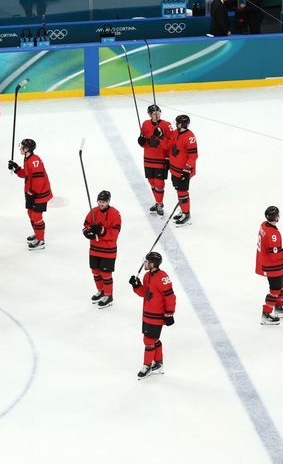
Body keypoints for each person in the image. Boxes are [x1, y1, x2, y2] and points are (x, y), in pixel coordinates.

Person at [129, 252, 176, 380]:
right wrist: (136, 285)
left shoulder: (162, 277)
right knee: (154, 340)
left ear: (152, 264)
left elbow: (170, 296)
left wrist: (169, 313)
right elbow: (145, 293)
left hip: (156, 316)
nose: (144, 264)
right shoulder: (146, 275)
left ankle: (147, 366)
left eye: (146, 262)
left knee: (148, 341)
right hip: (147, 315)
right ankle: (159, 365)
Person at [9, 138, 53, 250]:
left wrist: (32, 193)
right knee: (30, 213)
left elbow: (39, 180)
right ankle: (37, 234)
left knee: (36, 216)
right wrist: (16, 168)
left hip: (39, 194)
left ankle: (41, 240)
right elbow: (27, 174)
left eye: (22, 146)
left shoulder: (35, 160)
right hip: (31, 193)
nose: (20, 148)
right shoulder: (27, 158)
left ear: (27, 149)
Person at [83, 191, 122, 309]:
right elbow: (86, 225)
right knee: (95, 271)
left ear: (108, 202)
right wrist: (88, 232)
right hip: (94, 249)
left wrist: (101, 231)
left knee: (106, 274)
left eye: (103, 202)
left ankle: (108, 295)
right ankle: (101, 291)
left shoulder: (115, 214)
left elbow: (114, 234)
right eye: (99, 201)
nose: (101, 204)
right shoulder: (93, 212)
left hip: (108, 251)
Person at [256, 206, 283, 325]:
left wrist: (282, 249)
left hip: (271, 264)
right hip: (272, 266)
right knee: (275, 289)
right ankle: (266, 314)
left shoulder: (264, 225)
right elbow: (274, 255)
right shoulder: (273, 234)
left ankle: (278, 308)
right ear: (276, 217)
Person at [137, 104, 174, 216]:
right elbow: (144, 141)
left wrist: (168, 158)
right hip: (148, 158)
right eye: (154, 113)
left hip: (161, 159)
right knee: (152, 182)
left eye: (158, 113)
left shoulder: (167, 125)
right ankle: (158, 202)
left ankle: (159, 203)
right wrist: (141, 142)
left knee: (159, 183)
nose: (157, 115)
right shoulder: (145, 124)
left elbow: (171, 144)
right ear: (149, 114)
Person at [167, 114, 197, 226]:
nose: (176, 124)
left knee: (183, 192)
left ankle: (186, 212)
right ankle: (183, 209)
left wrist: (187, 170)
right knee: (178, 190)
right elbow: (169, 145)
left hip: (183, 171)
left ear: (182, 124)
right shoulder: (175, 132)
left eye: (177, 122)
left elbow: (193, 156)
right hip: (174, 169)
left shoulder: (190, 137)